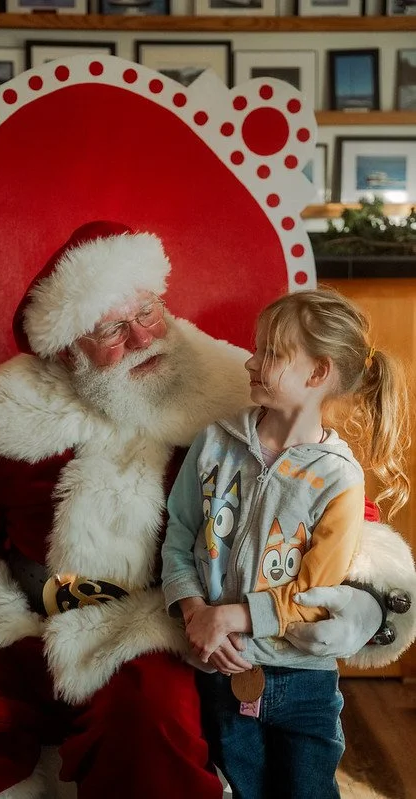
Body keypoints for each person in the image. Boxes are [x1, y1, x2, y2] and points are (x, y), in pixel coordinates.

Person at [0, 222, 413, 799]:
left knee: (153, 721)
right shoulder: (16, 410)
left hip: (155, 622)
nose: (140, 338)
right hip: (17, 617)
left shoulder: (233, 392)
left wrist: (366, 597)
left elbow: (328, 505)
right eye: (112, 327)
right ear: (66, 349)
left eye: (148, 313)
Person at [161, 287, 412, 799]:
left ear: (317, 374)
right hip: (222, 669)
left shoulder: (339, 478)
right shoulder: (214, 443)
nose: (252, 360)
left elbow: (315, 588)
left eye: (272, 352)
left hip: (303, 682)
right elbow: (180, 532)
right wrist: (193, 609)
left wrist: (235, 616)